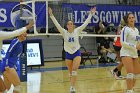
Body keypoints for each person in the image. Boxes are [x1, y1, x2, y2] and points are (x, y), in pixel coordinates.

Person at [48, 7, 96, 93]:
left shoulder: (77, 31)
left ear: (73, 25)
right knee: (70, 72)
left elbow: (85, 23)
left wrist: (91, 14)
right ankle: (72, 86)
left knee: (74, 70)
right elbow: (57, 24)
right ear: (67, 26)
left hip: (76, 53)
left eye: (71, 24)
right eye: (68, 24)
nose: (69, 25)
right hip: (68, 54)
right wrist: (51, 15)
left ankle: (72, 88)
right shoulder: (64, 32)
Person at [0, 20, 34, 93]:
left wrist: (14, 66)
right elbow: (8, 53)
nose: (26, 34)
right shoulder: (16, 41)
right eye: (24, 32)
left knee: (5, 89)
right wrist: (6, 65)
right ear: (19, 34)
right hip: (8, 66)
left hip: (10, 66)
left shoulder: (21, 44)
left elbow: (15, 57)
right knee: (18, 86)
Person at [120, 13, 140, 93]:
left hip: (134, 53)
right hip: (126, 53)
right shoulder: (125, 29)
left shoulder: (136, 30)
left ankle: (130, 89)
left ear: (135, 19)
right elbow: (122, 42)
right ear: (127, 20)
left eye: (133, 17)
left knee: (137, 73)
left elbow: (138, 41)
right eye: (130, 18)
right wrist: (135, 46)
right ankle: (129, 91)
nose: (131, 19)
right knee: (130, 73)